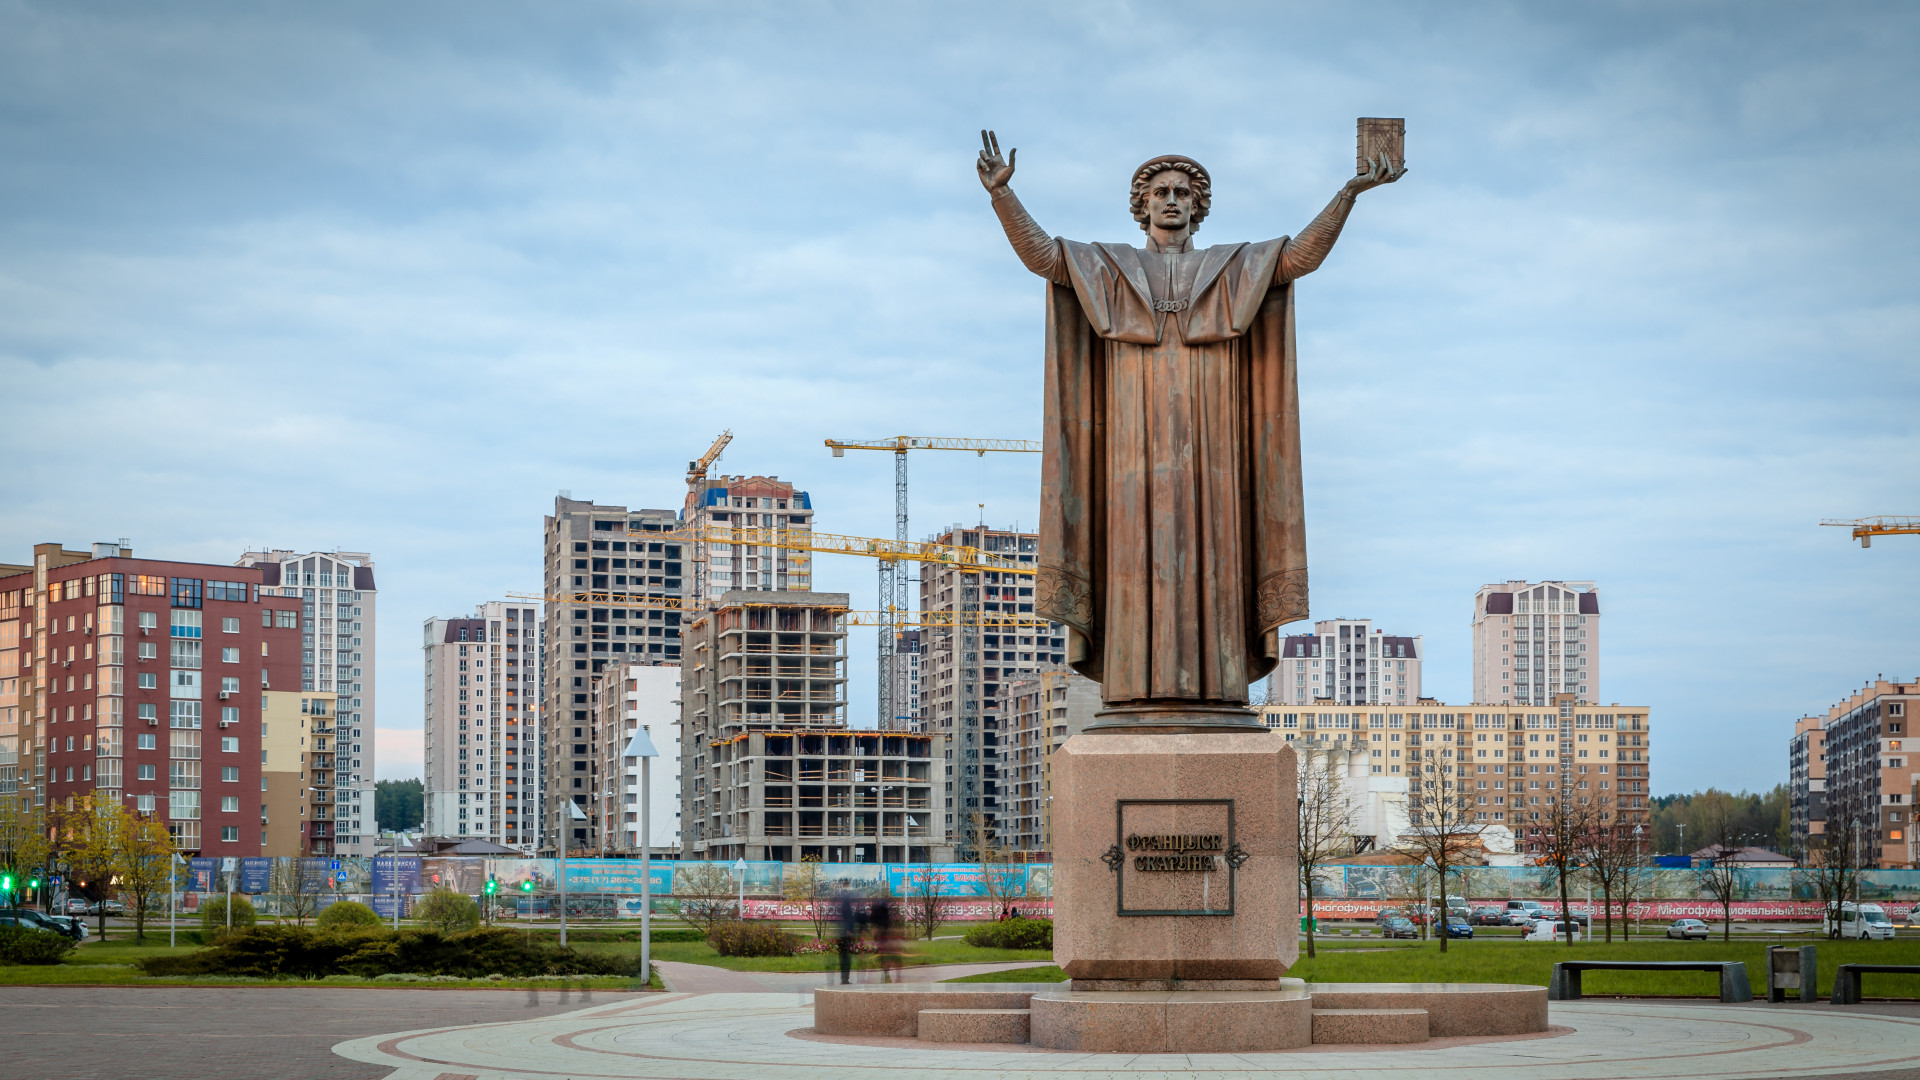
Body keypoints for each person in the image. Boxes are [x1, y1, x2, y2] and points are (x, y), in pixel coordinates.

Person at [868, 900, 901, 983]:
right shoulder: (884, 912)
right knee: (887, 954)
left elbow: (873, 922)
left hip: (881, 935)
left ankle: (886, 973)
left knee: (884, 955)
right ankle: (888, 974)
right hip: (885, 935)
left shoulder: (876, 912)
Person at [834, 889, 859, 985]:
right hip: (845, 934)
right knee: (846, 958)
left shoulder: (843, 903)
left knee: (844, 957)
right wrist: (849, 930)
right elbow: (848, 918)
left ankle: (844, 978)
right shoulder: (846, 904)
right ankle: (845, 979)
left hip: (842, 933)